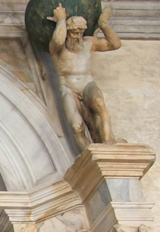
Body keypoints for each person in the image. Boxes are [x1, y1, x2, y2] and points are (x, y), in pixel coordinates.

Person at [48, 3, 122, 149]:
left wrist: (103, 25)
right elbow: (57, 40)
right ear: (67, 32)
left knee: (99, 104)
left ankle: (108, 142)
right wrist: (61, 20)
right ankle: (89, 154)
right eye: (75, 33)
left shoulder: (89, 44)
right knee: (76, 126)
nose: (78, 36)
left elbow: (115, 44)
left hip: (87, 84)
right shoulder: (57, 49)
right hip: (68, 88)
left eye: (81, 32)